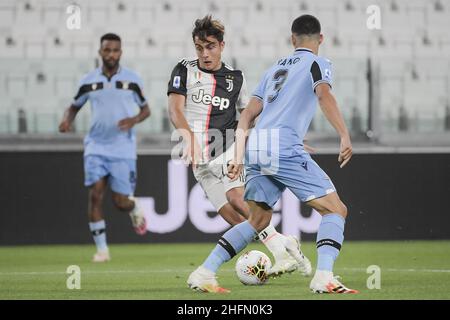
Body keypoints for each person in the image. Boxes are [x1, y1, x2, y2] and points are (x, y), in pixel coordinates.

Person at [188, 14, 358, 294]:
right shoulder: (319, 63)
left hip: (258, 145)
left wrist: (240, 153)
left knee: (257, 221)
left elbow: (248, 115)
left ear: (293, 40)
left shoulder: (273, 69)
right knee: (335, 210)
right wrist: (344, 134)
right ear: (321, 39)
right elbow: (324, 94)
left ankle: (204, 272)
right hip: (283, 147)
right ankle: (324, 276)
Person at [167, 15, 311, 290]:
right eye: (199, 47)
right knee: (234, 218)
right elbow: (175, 110)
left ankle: (280, 256)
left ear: (222, 45)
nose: (204, 53)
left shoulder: (236, 78)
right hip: (200, 161)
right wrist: (189, 138)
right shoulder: (183, 70)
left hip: (226, 146)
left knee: (237, 197)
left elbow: (249, 117)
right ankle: (285, 243)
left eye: (210, 46)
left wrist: (279, 137)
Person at [59, 33, 151, 262]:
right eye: (107, 50)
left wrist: (133, 120)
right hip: (96, 147)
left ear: (121, 52)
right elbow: (74, 106)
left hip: (123, 149)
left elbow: (146, 110)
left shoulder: (132, 80)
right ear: (100, 52)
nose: (111, 54)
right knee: (95, 197)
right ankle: (102, 250)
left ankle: (133, 207)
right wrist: (67, 120)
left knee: (120, 202)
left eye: (115, 50)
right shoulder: (88, 80)